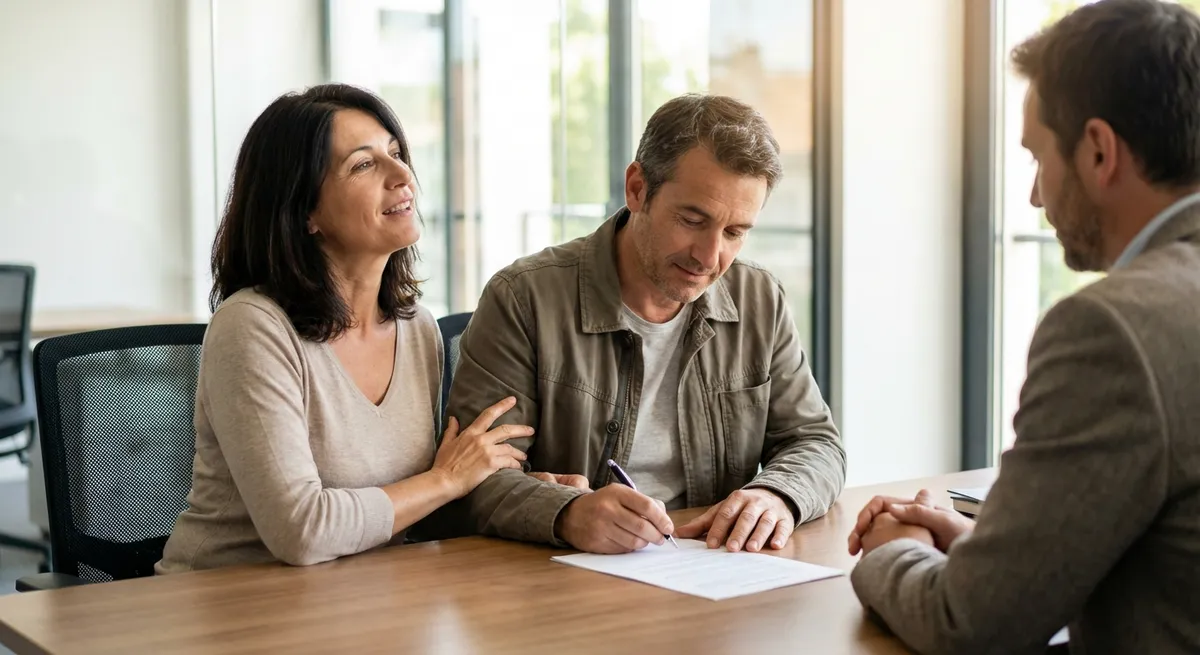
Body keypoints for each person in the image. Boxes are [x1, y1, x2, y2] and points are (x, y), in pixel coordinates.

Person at [846, 1, 1200, 653]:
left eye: (1038, 158)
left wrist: (893, 550)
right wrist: (995, 549)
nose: (1035, 196)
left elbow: (970, 625)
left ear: (1098, 151)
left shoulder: (1115, 328)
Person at [156, 84, 542, 572]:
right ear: (305, 212)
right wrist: (447, 479)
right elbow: (302, 531)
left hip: (362, 602)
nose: (402, 175)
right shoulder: (252, 328)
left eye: (397, 153)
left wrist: (533, 498)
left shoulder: (417, 329)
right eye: (364, 164)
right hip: (230, 609)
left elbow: (412, 510)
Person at [442, 93, 846, 555]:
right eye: (693, 220)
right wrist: (567, 513)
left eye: (735, 232)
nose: (710, 257)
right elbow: (469, 479)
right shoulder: (523, 299)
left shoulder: (760, 300)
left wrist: (776, 495)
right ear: (637, 188)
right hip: (563, 584)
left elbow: (814, 442)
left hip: (711, 571)